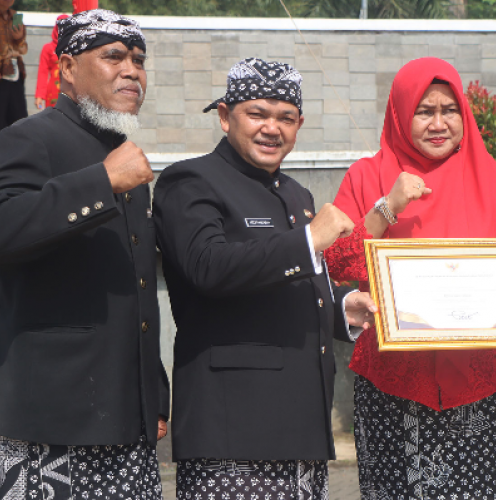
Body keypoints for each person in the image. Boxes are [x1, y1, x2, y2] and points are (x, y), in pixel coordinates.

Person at [324, 57, 496, 500]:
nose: (438, 123)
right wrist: (387, 207)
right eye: (423, 111)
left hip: (477, 387)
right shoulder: (368, 174)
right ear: (400, 112)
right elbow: (335, 263)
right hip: (392, 386)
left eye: (449, 110)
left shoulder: (491, 179)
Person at [153, 57, 378, 500]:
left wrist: (341, 307)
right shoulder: (190, 181)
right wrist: (308, 241)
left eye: (285, 118)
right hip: (233, 433)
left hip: (301, 431)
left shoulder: (296, 194)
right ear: (224, 115)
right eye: (257, 113)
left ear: (299, 125)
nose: (271, 128)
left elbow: (295, 285)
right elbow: (208, 266)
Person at [0, 9, 169, 500]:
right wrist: (102, 182)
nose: (131, 70)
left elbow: (134, 286)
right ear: (68, 68)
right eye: (113, 56)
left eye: (138, 60)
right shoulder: (25, 139)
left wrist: (152, 392)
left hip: (126, 424)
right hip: (50, 426)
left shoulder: (122, 153)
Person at [0, 0, 27, 130]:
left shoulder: (15, 17)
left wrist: (19, 37)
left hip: (15, 75)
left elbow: (23, 50)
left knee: (19, 122)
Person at [35, 14, 70, 110]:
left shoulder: (74, 48)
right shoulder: (48, 48)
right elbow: (43, 72)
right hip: (53, 92)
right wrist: (39, 95)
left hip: (71, 90)